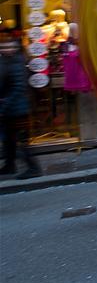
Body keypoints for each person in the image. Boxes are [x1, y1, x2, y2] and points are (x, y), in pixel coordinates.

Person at [0, 33, 40, 179]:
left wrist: (5, 105)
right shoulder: (6, 61)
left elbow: (18, 87)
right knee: (9, 140)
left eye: (8, 46)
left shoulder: (16, 63)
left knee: (21, 141)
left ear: (15, 48)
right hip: (11, 108)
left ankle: (34, 168)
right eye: (3, 46)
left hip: (18, 108)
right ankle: (9, 165)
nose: (5, 49)